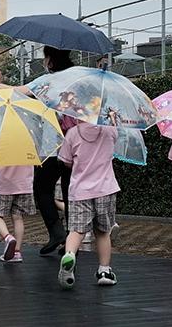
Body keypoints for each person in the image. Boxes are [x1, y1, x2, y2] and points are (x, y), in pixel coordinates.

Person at [0, 45, 76, 255]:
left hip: (52, 146)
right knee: (69, 193)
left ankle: (57, 232)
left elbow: (19, 92)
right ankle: (70, 238)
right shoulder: (77, 79)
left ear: (49, 59)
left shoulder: (48, 81)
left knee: (42, 188)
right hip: (76, 145)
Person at [57, 119, 120, 289]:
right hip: (105, 189)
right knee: (103, 232)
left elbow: (66, 161)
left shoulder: (72, 133)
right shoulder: (109, 130)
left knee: (76, 230)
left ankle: (69, 255)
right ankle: (104, 271)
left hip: (79, 190)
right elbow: (114, 145)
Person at [0, 163, 36, 263]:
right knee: (18, 217)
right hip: (24, 185)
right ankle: (16, 252)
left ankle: (8, 237)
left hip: (3, 184)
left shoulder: (0, 146)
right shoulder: (29, 146)